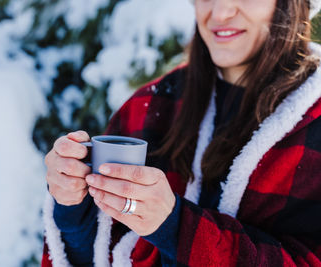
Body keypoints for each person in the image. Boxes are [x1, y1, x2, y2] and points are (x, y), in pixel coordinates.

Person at [42, 0, 321, 266]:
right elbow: (94, 255)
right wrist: (71, 205)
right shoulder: (149, 106)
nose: (220, 12)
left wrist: (176, 228)